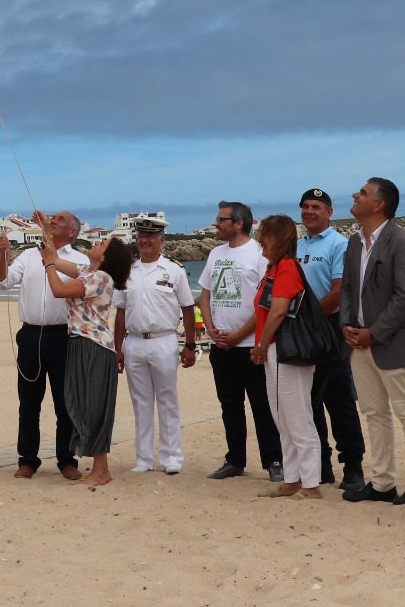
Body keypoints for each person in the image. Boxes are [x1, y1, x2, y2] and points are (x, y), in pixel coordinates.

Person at [340, 179, 405, 505]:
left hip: (393, 342)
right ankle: (382, 483)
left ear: (379, 204)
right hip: (359, 342)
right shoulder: (353, 243)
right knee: (374, 413)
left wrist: (374, 333)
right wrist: (347, 325)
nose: (354, 193)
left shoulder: (402, 242)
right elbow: (348, 289)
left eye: (362, 192)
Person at [0, 209, 91, 481]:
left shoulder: (79, 260)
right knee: (29, 402)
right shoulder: (29, 255)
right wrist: (3, 254)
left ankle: (67, 459)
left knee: (65, 402)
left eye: (59, 219)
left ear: (71, 231)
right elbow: (2, 282)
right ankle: (27, 460)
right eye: (53, 218)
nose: (53, 220)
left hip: (64, 336)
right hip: (31, 334)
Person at [198, 201, 282, 481]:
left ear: (239, 223)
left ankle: (273, 460)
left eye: (222, 219)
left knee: (262, 405)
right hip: (221, 347)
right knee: (230, 405)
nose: (217, 224)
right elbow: (206, 294)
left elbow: (265, 303)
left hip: (249, 346)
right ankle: (234, 460)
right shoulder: (215, 254)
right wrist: (210, 328)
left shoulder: (259, 254)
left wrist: (239, 334)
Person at [43, 236, 135, 486]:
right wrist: (45, 228)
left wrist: (49, 266)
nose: (96, 242)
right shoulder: (87, 271)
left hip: (93, 346)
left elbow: (59, 290)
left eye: (102, 243)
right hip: (82, 344)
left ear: (106, 257)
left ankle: (101, 470)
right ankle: (98, 468)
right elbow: (54, 256)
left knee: (93, 406)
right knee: (82, 403)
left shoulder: (100, 278)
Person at [114, 216, 198, 474]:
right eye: (141, 236)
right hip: (135, 342)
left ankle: (172, 457)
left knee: (167, 401)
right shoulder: (128, 271)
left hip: (164, 341)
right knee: (140, 403)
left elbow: (187, 308)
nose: (145, 240)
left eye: (151, 236)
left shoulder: (174, 270)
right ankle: (144, 459)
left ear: (162, 240)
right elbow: (120, 312)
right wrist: (118, 349)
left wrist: (190, 345)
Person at [295, 188, 366, 491]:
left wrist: (307, 317)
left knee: (339, 400)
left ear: (329, 212)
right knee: (307, 401)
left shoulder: (339, 244)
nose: (309, 212)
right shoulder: (295, 246)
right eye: (305, 207)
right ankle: (321, 466)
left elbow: (339, 291)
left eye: (316, 207)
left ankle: (352, 467)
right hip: (301, 330)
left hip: (329, 326)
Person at [250, 215, 322, 499]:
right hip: (275, 350)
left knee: (297, 416)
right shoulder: (275, 267)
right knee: (283, 416)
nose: (259, 241)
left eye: (263, 235)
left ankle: (311, 482)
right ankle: (293, 478)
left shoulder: (287, 267)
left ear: (276, 238)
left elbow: (279, 310)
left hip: (286, 350)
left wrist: (261, 344)